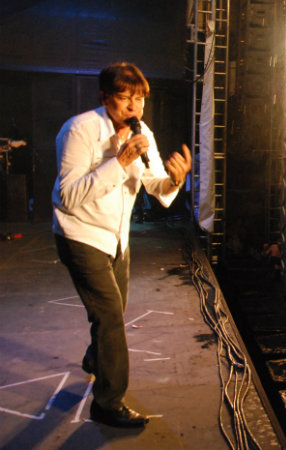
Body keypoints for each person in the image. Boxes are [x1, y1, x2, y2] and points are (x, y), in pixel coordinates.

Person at [52, 62, 191, 428]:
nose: (134, 107)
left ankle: (95, 359)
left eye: (140, 99)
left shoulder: (143, 132)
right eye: (125, 97)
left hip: (116, 238)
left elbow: (156, 186)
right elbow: (67, 196)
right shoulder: (80, 130)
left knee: (114, 311)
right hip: (79, 234)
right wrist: (119, 161)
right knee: (111, 316)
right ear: (105, 98)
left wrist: (175, 180)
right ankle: (108, 403)